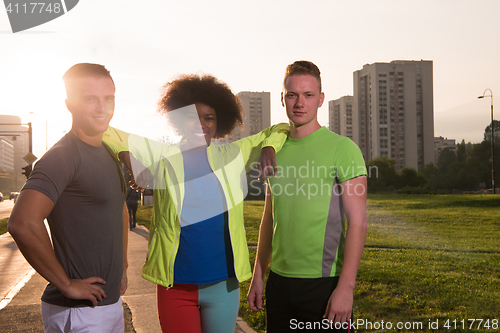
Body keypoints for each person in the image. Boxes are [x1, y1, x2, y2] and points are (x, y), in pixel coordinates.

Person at [103, 73, 288, 333]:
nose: (200, 123)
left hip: (223, 286)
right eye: (192, 116)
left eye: (208, 117)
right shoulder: (163, 156)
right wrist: (128, 157)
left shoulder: (232, 155)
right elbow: (107, 132)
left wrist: (268, 146)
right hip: (175, 286)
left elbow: (279, 129)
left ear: (219, 121)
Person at [247, 60, 368, 332]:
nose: (299, 103)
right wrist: (258, 274)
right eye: (292, 95)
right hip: (279, 284)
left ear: (321, 99)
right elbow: (270, 217)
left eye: (308, 95)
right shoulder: (274, 149)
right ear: (282, 98)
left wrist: (345, 288)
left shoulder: (343, 149)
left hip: (324, 285)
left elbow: (358, 222)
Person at [8, 63, 129, 333]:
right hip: (77, 313)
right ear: (69, 104)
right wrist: (66, 284)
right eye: (90, 99)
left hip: (109, 306)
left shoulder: (110, 152)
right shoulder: (63, 156)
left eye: (108, 99)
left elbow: (117, 205)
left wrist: (123, 264)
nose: (102, 107)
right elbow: (22, 223)